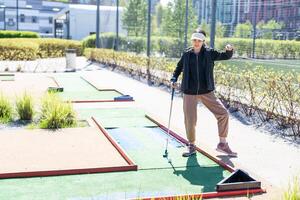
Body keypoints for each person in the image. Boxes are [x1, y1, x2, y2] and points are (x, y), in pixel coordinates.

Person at [170, 29, 237, 157]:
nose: (196, 42)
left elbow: (225, 56)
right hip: (189, 91)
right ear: (192, 40)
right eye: (194, 40)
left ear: (203, 41)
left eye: (199, 40)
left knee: (223, 114)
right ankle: (191, 145)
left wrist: (229, 50)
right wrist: (174, 78)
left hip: (206, 91)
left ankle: (222, 144)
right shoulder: (187, 54)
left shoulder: (209, 53)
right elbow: (178, 68)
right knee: (190, 120)